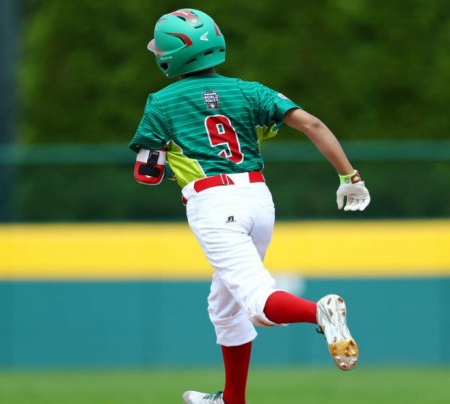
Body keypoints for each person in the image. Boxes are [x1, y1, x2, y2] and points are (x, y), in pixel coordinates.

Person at [129, 8, 370, 404]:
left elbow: (147, 171)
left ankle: (319, 313)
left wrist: (170, 162)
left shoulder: (161, 102)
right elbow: (312, 124)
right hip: (258, 199)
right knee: (224, 308)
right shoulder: (249, 90)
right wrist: (350, 178)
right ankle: (232, 399)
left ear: (169, 56)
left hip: (213, 202)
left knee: (257, 303)